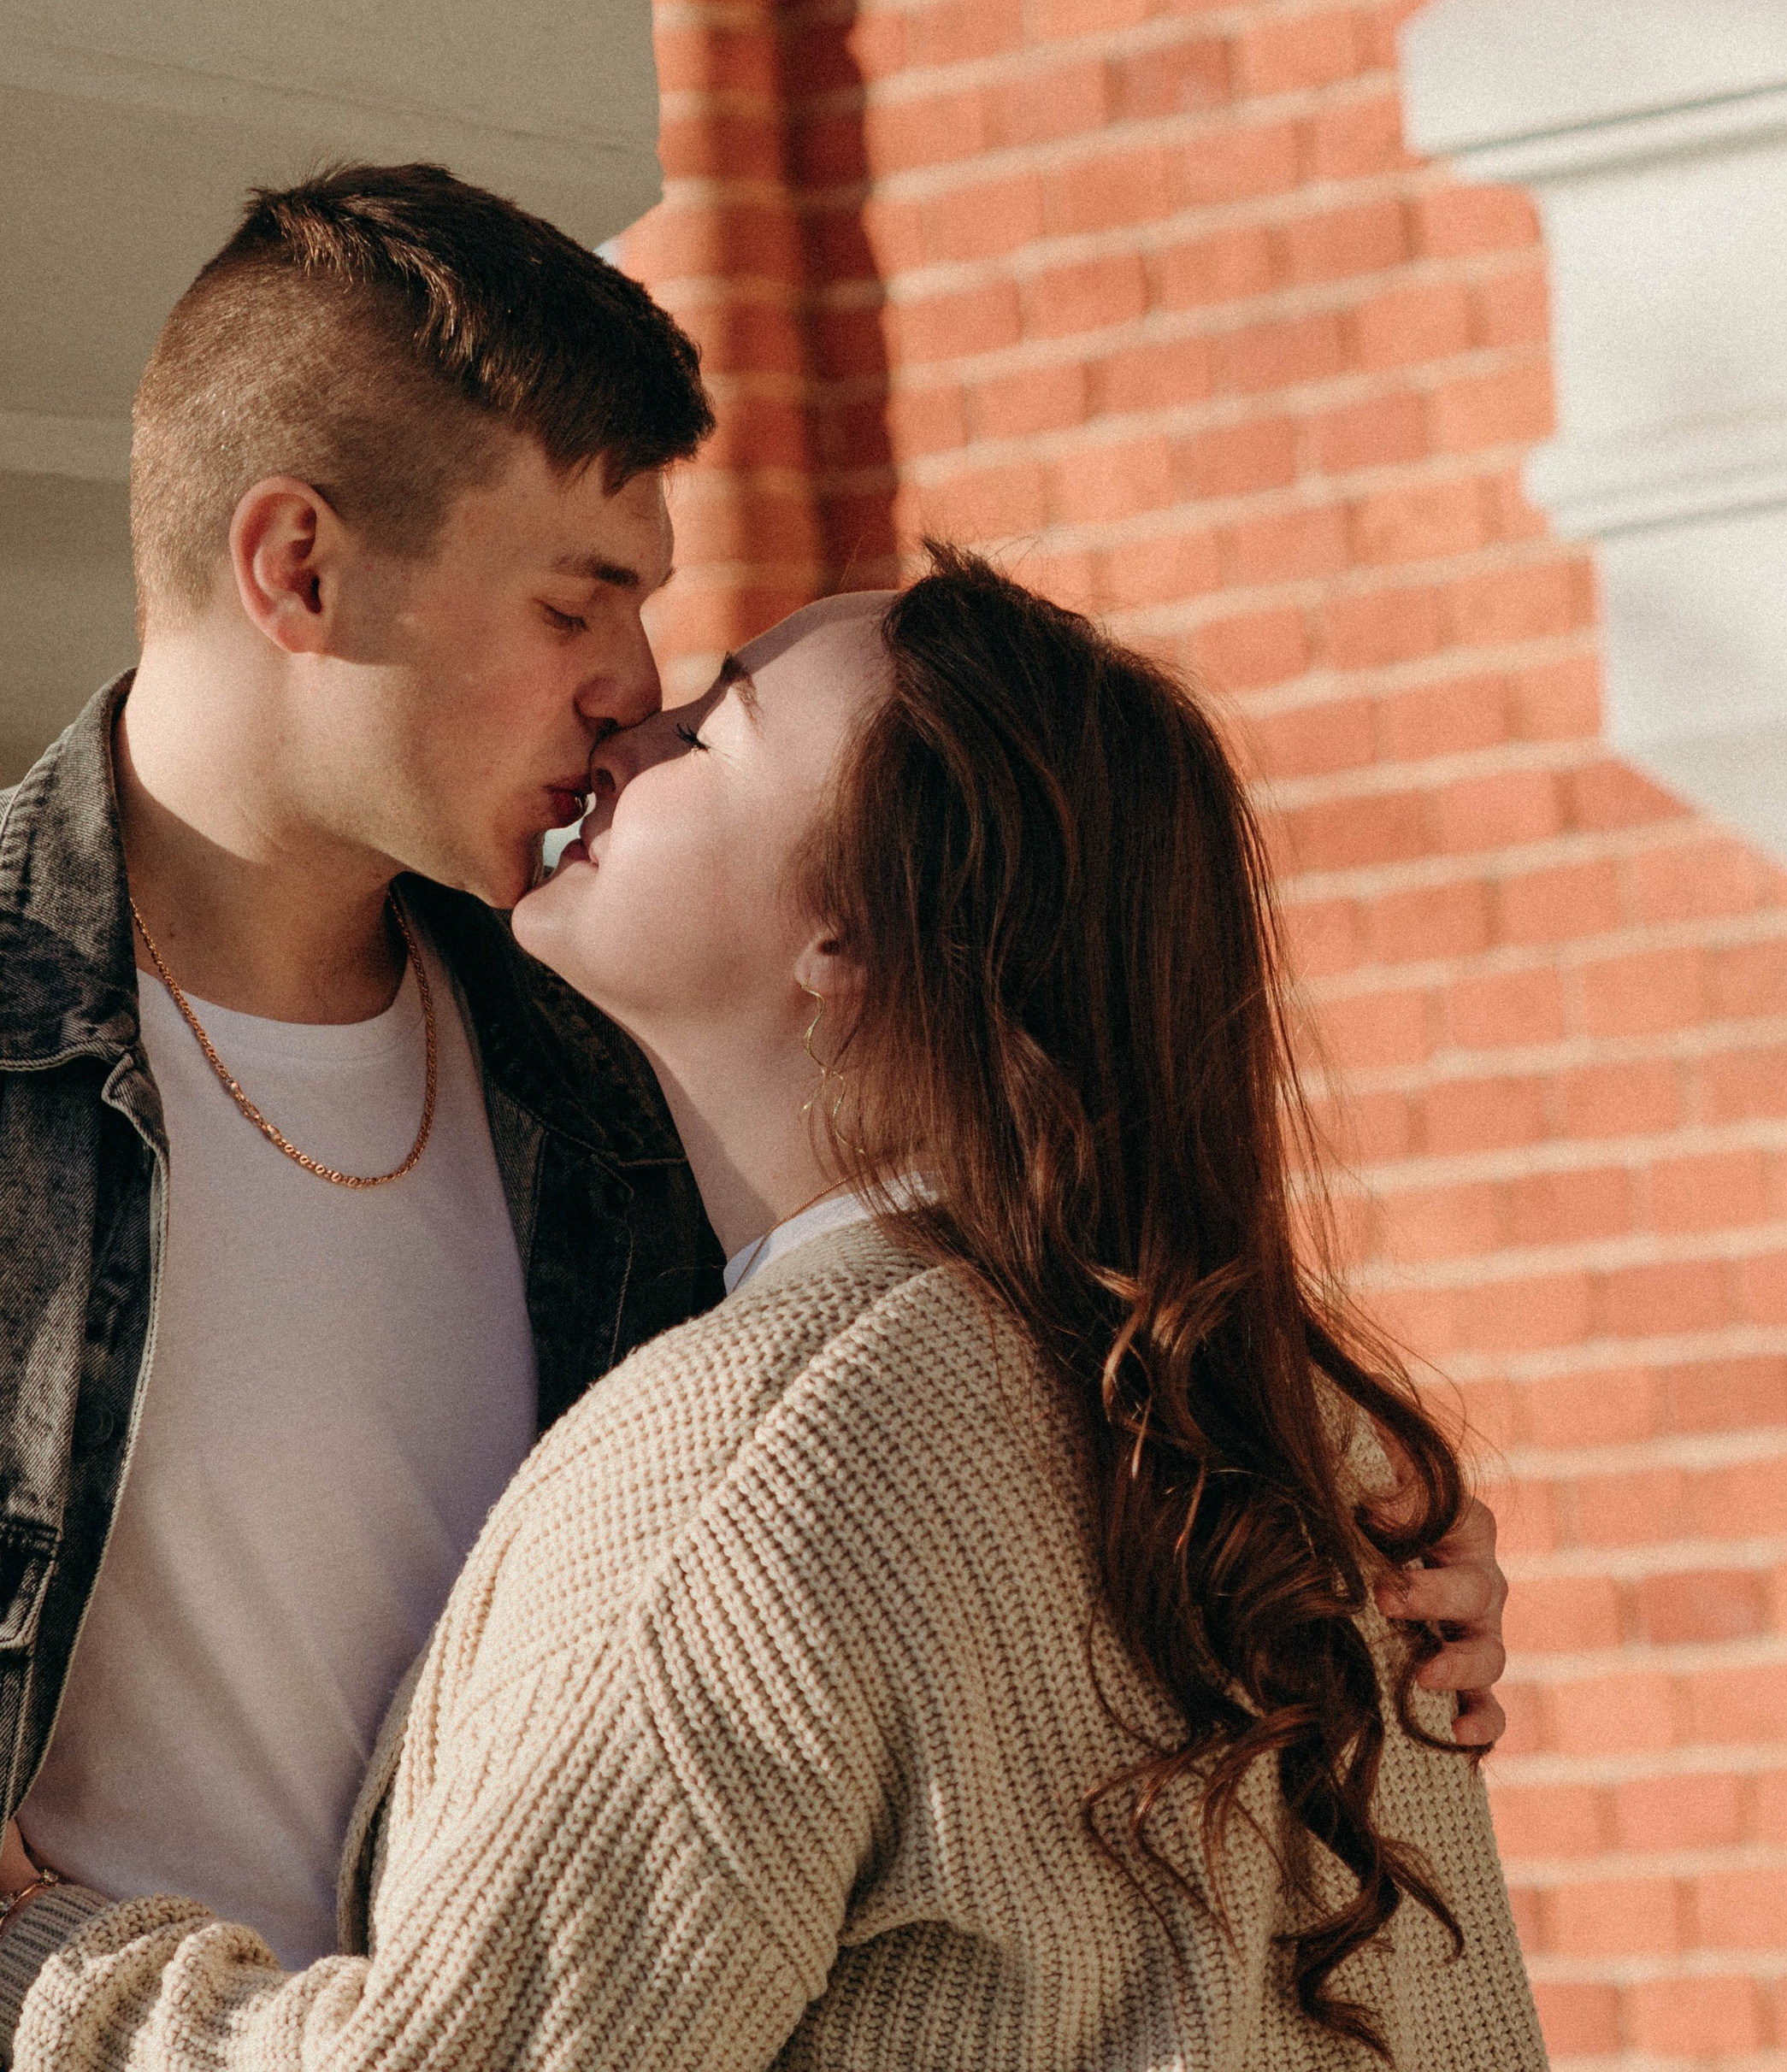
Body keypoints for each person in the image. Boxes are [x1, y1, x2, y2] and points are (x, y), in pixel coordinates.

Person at [0, 168, 1509, 2040]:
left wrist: (1299, 1546)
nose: (631, 690)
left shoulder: (638, 1061)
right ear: (299, 569)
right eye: (577, 602)